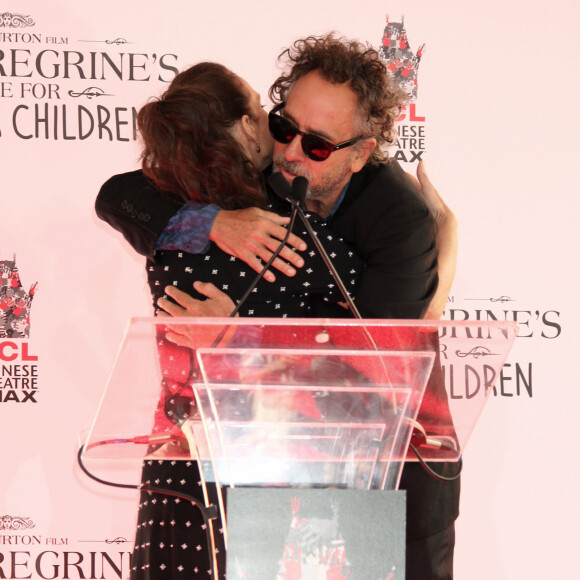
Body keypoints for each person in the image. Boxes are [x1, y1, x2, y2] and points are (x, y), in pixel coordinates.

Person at [96, 35, 458, 579]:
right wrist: (212, 222)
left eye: (316, 145)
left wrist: (235, 337)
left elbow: (377, 361)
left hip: (386, 466)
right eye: (283, 127)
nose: (289, 151)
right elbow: (118, 195)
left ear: (360, 152)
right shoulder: (254, 185)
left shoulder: (396, 218)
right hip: (253, 465)